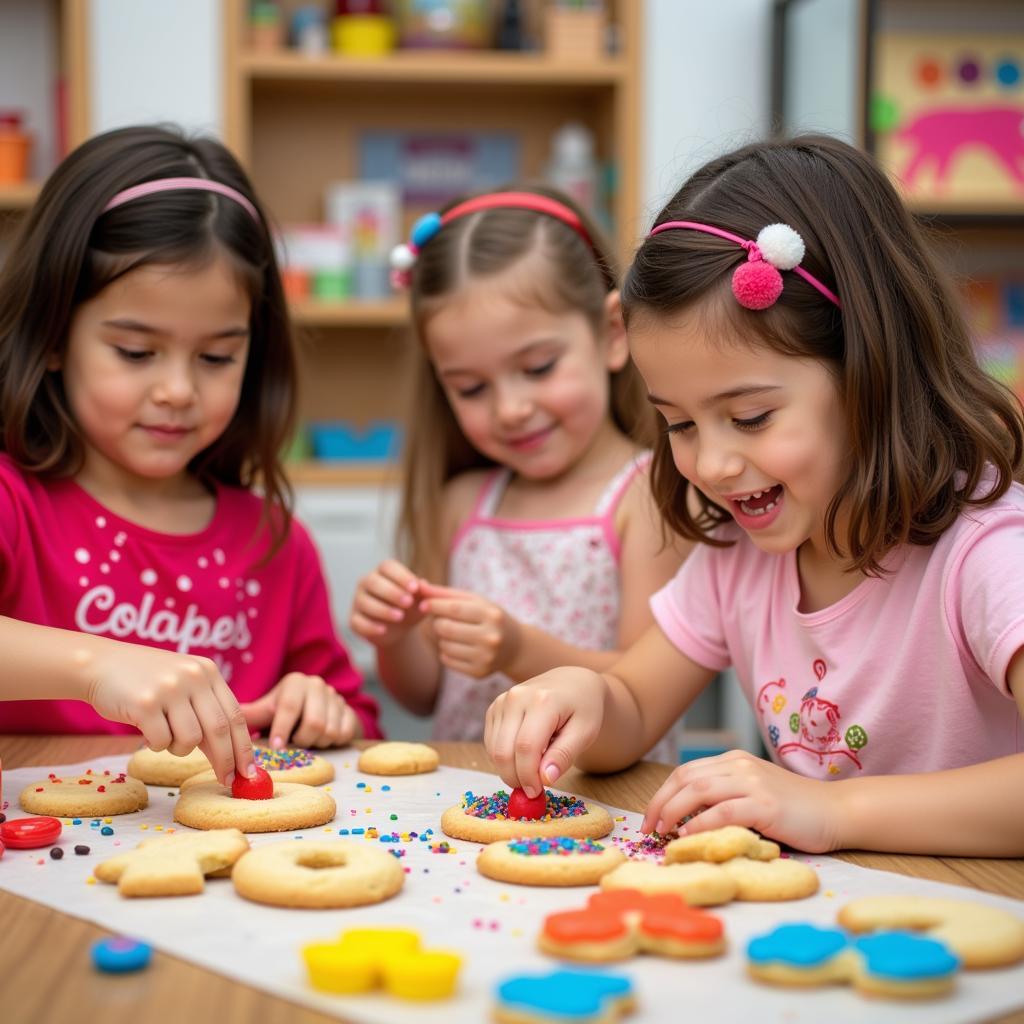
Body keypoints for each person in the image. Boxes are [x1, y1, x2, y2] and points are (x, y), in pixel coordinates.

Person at [483, 135, 1024, 857]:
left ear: (872, 369)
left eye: (749, 418)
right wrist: (582, 696)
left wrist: (835, 812)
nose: (711, 462)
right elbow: (637, 707)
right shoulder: (742, 557)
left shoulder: (988, 556)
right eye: (678, 422)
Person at [0, 125, 381, 786]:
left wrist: (324, 712)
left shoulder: (275, 544)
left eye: (215, 357)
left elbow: (356, 724)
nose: (177, 390)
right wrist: (96, 667)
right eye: (136, 352)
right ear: (54, 335)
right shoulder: (15, 503)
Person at [350, 187, 688, 757]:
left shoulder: (646, 495)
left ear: (611, 334)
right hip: (465, 804)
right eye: (471, 387)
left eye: (537, 367)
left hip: (606, 803)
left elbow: (645, 688)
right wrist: (395, 635)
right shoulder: (461, 503)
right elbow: (423, 694)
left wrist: (516, 650)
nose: (510, 408)